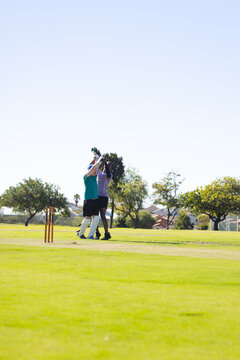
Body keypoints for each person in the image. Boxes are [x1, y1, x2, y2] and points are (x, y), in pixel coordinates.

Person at [77, 154, 104, 239]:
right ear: (90, 171)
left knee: (96, 218)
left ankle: (90, 235)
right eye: (94, 170)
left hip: (95, 200)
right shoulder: (86, 177)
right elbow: (93, 167)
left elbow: (96, 166)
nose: (96, 171)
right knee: (87, 219)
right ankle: (81, 234)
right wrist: (99, 159)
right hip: (88, 200)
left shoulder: (94, 177)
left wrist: (97, 158)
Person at [95, 160, 113, 240]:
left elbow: (108, 174)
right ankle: (97, 233)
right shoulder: (99, 173)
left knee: (102, 216)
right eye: (106, 165)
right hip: (96, 197)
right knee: (95, 216)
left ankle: (106, 234)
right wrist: (97, 158)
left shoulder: (109, 175)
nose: (106, 167)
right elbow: (93, 166)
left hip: (104, 197)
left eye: (109, 166)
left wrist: (105, 162)